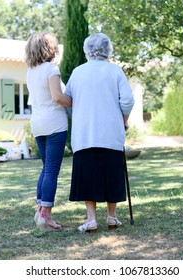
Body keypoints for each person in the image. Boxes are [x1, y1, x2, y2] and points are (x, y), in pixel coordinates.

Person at [65, 33, 135, 232]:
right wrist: (123, 120)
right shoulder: (115, 71)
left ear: (86, 50)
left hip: (85, 133)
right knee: (112, 173)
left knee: (88, 175)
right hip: (111, 132)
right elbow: (128, 100)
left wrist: (78, 114)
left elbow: (68, 101)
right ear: (108, 49)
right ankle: (112, 217)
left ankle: (92, 219)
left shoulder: (78, 72)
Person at [25, 32, 72, 232]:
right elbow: (57, 97)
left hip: (38, 123)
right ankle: (45, 216)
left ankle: (40, 210)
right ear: (50, 49)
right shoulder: (51, 69)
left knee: (46, 168)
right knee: (52, 170)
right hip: (54, 124)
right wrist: (78, 103)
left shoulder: (30, 71)